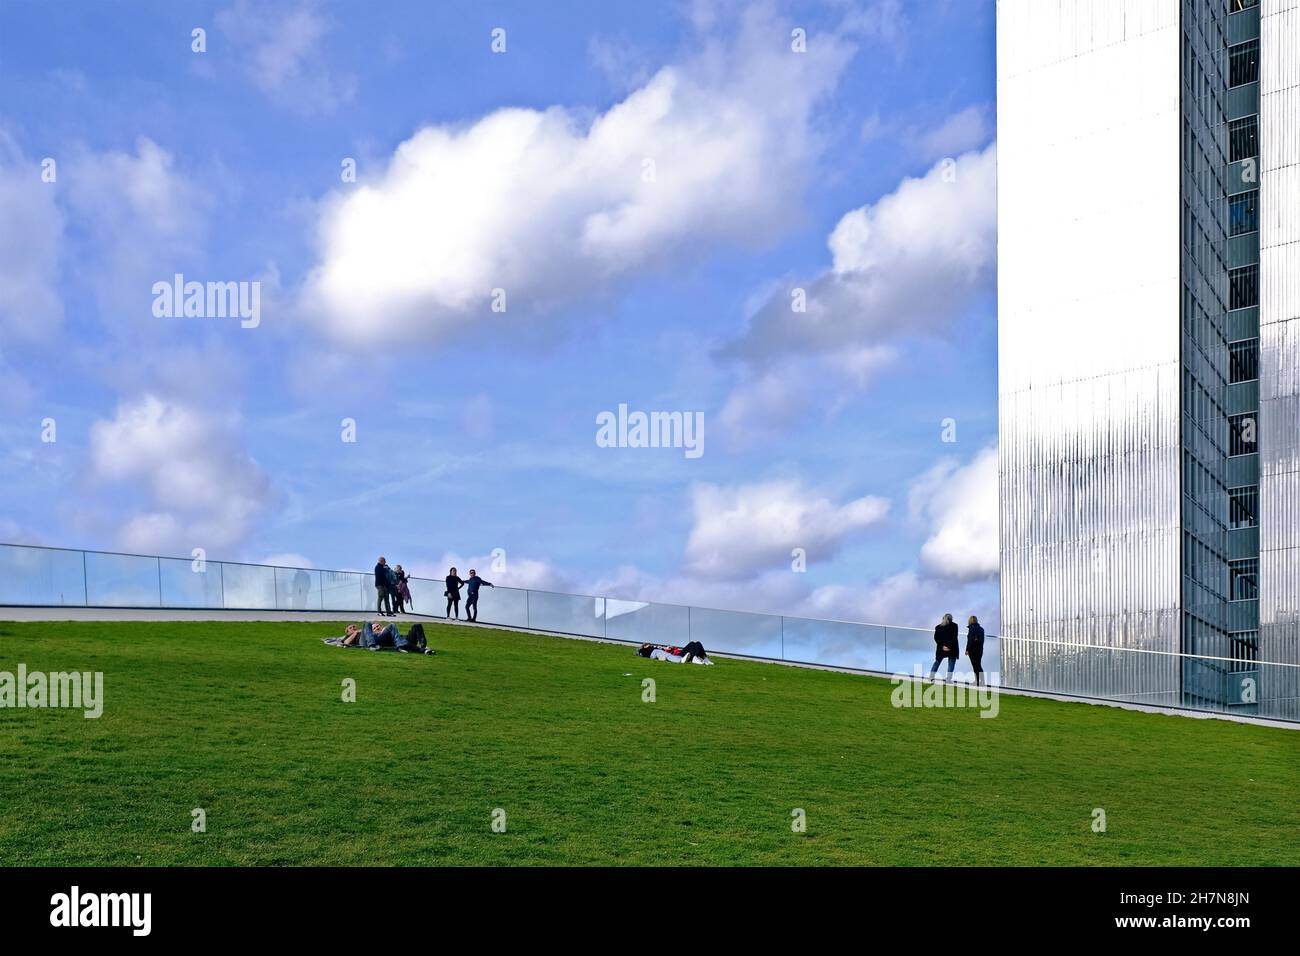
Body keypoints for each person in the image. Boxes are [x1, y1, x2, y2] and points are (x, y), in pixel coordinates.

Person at [928, 612, 959, 681]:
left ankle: (931, 677)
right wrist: (949, 647)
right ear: (951, 619)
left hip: (941, 648)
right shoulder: (955, 626)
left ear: (943, 618)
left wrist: (942, 646)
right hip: (952, 648)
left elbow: (936, 638)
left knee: (937, 661)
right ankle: (948, 679)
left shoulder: (938, 627)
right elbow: (954, 637)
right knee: (951, 663)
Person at [965, 615, 986, 686]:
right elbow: (982, 640)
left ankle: (977, 681)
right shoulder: (981, 629)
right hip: (980, 650)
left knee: (975, 666)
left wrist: (967, 649)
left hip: (972, 650)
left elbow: (970, 640)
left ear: (970, 621)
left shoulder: (971, 628)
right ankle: (982, 681)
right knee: (978, 665)